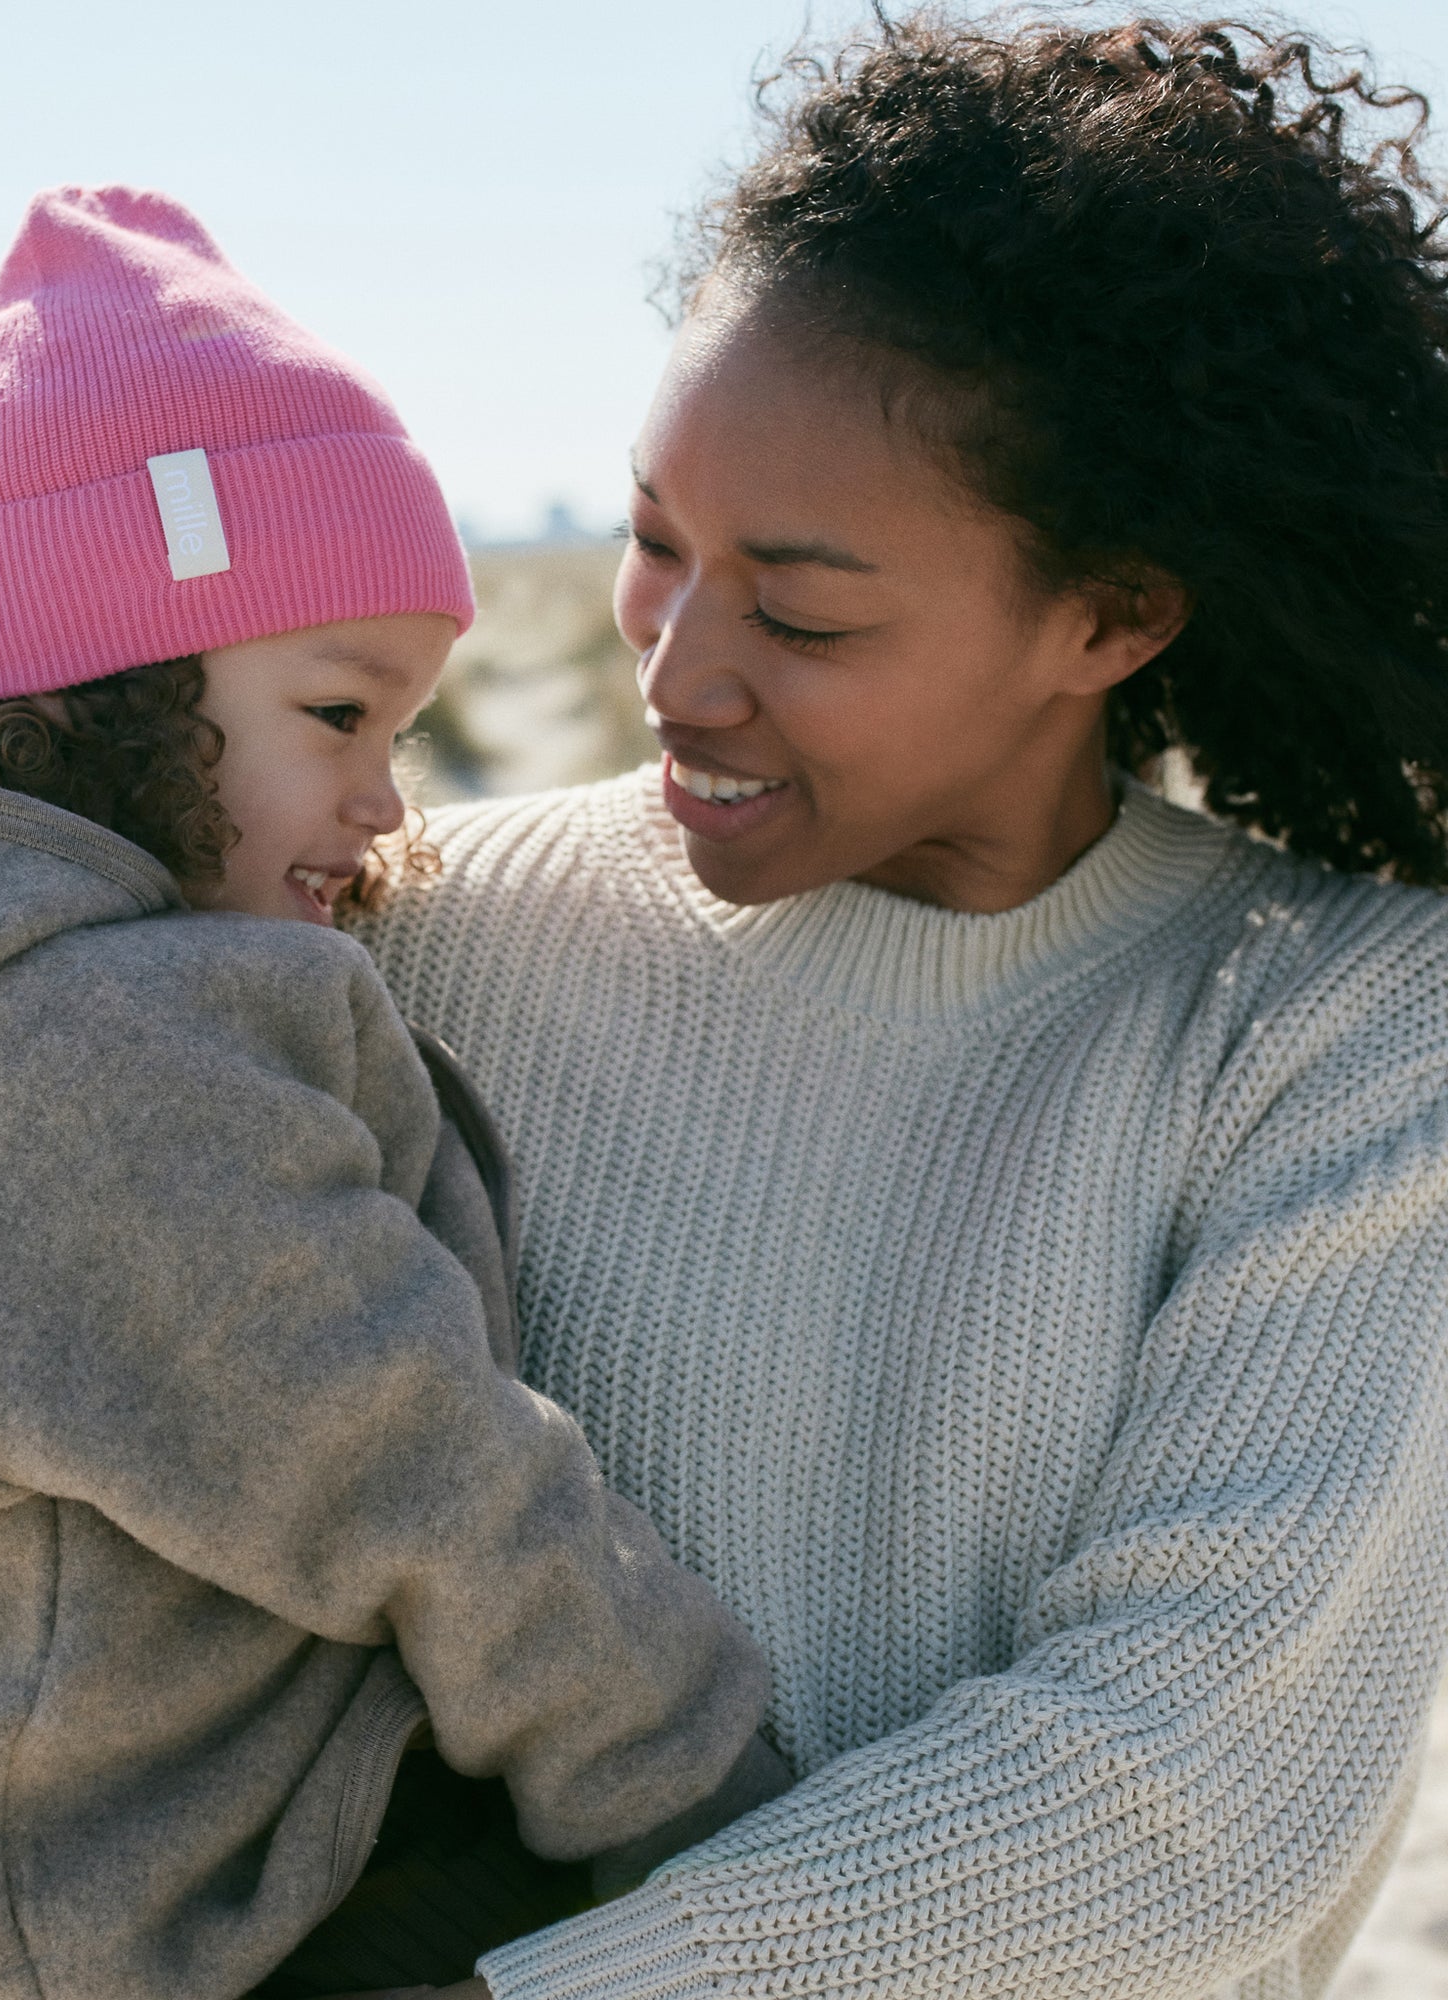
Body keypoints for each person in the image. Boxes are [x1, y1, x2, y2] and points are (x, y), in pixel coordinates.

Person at [0, 187, 787, 2000]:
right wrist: (713, 1808)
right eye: (338, 717)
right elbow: (427, 1480)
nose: (385, 804)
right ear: (114, 686)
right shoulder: (85, 1067)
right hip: (261, 1898)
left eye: (407, 731)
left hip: (7, 1848)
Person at [354, 16, 1448, 1999]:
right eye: (650, 540)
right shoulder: (424, 937)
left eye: (802, 609)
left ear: (1107, 615)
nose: (676, 670)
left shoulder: (1334, 1026)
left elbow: (1189, 1785)